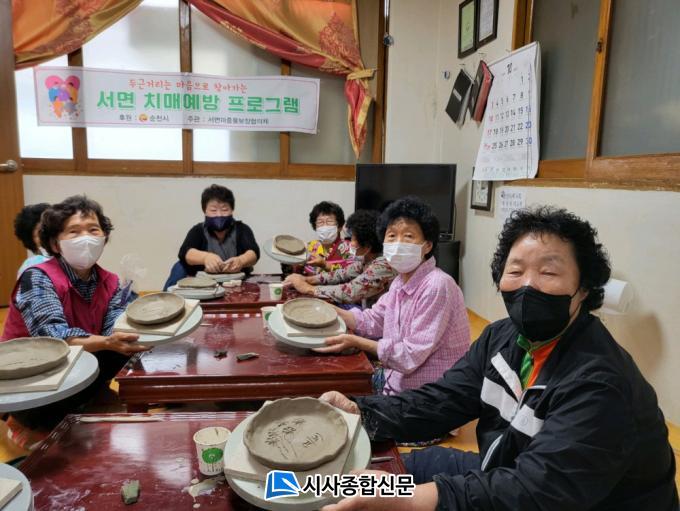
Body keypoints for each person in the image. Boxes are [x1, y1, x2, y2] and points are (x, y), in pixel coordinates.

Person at [320, 206, 678, 511]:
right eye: (516, 271)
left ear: (583, 288)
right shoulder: (502, 337)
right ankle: (293, 489)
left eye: (549, 272)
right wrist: (360, 412)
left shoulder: (600, 383)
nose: (528, 285)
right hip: (505, 470)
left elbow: (538, 491)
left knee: (395, 493)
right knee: (365, 478)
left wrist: (413, 499)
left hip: (553, 497)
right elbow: (443, 400)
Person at [2, 195, 149, 448]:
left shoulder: (111, 281)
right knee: (91, 356)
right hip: (31, 369)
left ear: (104, 237)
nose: (86, 238)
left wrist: (132, 322)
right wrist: (106, 342)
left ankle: (89, 396)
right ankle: (22, 419)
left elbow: (113, 328)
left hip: (78, 358)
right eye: (74, 231)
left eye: (93, 230)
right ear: (55, 244)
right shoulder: (37, 277)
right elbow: (51, 335)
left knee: (127, 347)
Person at [316, 197, 470, 396]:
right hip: (395, 380)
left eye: (408, 236)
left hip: (427, 395)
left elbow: (410, 356)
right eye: (391, 236)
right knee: (329, 380)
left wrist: (357, 342)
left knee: (335, 390)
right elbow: (373, 319)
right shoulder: (400, 282)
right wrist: (330, 311)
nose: (398, 243)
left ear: (427, 245)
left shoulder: (437, 285)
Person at [283, 210, 397, 307]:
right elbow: (341, 274)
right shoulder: (366, 259)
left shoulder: (383, 265)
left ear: (367, 245)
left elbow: (350, 292)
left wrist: (308, 288)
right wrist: (307, 279)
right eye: (320, 223)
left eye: (353, 239)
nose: (350, 243)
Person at [164, 184, 259, 289]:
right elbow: (185, 252)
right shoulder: (198, 230)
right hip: (202, 281)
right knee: (179, 266)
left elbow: (254, 252)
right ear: (205, 211)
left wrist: (241, 260)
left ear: (232, 210)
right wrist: (206, 257)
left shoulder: (242, 229)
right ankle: (168, 297)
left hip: (235, 279)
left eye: (224, 210)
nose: (219, 215)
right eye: (213, 210)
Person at [303, 201, 353, 275]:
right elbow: (302, 272)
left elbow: (352, 272)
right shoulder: (310, 246)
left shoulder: (350, 248)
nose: (325, 226)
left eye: (329, 221)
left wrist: (325, 265)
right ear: (315, 226)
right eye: (320, 222)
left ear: (339, 226)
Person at [13, 202, 51, 277]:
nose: (49, 234)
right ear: (31, 240)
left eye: (51, 228)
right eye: (41, 232)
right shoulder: (31, 267)